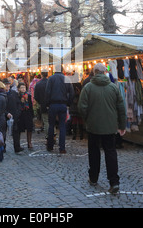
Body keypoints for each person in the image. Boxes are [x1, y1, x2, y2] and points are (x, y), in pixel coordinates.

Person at [78, 63, 127, 194]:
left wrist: (87, 119)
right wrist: (122, 125)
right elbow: (121, 108)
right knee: (110, 153)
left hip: (93, 127)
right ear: (105, 72)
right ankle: (114, 182)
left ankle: (93, 178)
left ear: (94, 72)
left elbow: (82, 107)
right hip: (110, 127)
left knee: (94, 153)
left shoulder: (88, 87)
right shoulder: (113, 87)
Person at [45, 66, 74, 153]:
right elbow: (72, 93)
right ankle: (62, 148)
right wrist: (68, 103)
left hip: (53, 104)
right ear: (62, 70)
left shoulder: (51, 79)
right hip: (63, 105)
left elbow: (47, 92)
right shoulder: (67, 79)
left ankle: (50, 146)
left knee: (51, 125)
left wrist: (47, 104)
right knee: (62, 126)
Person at [3, 78, 23, 153]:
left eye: (8, 84)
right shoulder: (1, 94)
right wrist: (6, 113)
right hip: (5, 115)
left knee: (16, 132)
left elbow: (18, 103)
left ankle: (17, 147)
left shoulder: (13, 93)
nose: (7, 86)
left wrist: (18, 112)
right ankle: (3, 147)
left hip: (14, 115)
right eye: (6, 84)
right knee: (3, 132)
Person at [18, 82, 35, 149]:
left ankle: (29, 142)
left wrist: (32, 114)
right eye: (21, 87)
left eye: (24, 87)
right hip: (21, 114)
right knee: (19, 129)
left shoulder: (28, 96)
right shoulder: (18, 96)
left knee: (29, 128)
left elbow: (30, 105)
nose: (23, 89)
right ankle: (18, 143)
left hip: (28, 113)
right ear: (19, 89)